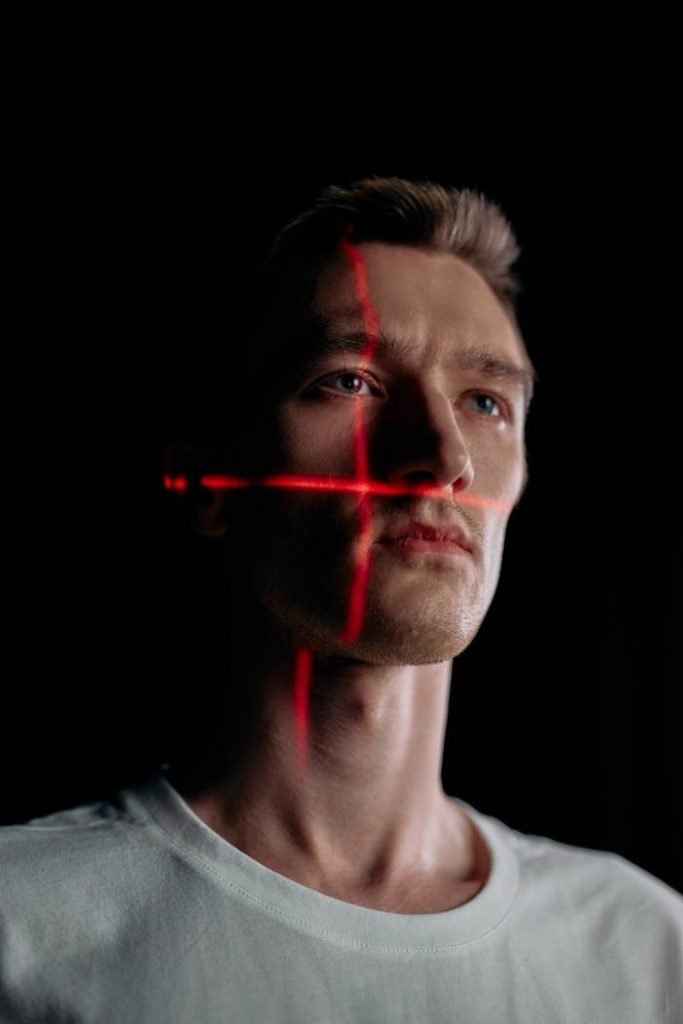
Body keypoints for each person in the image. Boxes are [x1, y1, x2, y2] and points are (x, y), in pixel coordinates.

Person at [1, 177, 681, 1024]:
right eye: (350, 381)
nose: (440, 458)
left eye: (484, 402)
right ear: (210, 481)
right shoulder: (21, 931)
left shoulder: (646, 953)